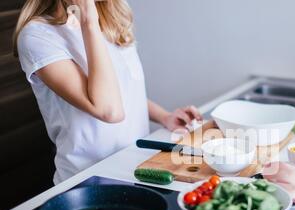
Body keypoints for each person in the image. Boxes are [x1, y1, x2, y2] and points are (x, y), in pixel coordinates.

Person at [13, 0, 202, 184]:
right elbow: (110, 110)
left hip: (138, 170)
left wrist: (164, 116)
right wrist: (88, 20)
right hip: (88, 182)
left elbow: (125, 90)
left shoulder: (112, 14)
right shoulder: (37, 36)